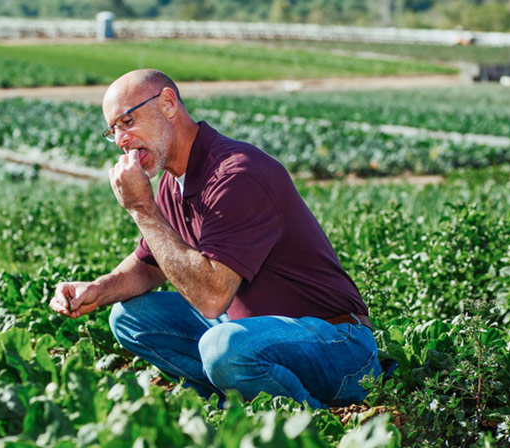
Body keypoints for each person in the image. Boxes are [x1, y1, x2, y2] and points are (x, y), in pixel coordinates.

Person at [49, 69, 393, 409]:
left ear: (167, 103)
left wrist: (141, 208)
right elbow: (150, 265)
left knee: (224, 347)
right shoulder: (173, 183)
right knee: (129, 317)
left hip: (337, 346)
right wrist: (96, 289)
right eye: (113, 131)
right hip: (253, 336)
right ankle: (237, 403)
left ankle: (314, 423)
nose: (121, 140)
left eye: (127, 121)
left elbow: (212, 299)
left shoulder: (237, 174)